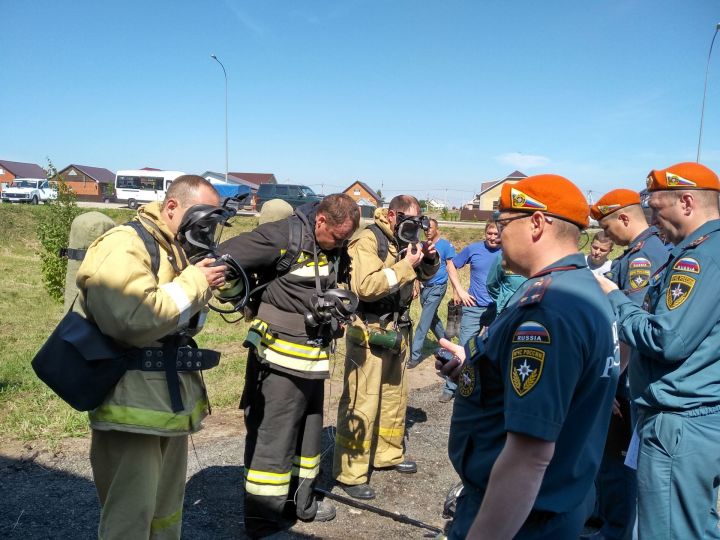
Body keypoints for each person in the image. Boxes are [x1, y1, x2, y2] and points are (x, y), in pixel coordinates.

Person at [438, 174, 620, 539]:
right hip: (558, 502)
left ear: (536, 223)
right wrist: (474, 368)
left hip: (527, 519)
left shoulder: (548, 310)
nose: (498, 235)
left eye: (504, 224)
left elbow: (529, 457)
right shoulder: (583, 290)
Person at [76, 175, 228, 539]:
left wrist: (204, 284)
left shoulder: (175, 247)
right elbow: (131, 319)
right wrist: (194, 282)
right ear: (171, 207)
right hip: (132, 406)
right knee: (129, 518)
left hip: (169, 404)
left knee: (165, 513)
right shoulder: (125, 244)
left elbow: (179, 322)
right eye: (202, 218)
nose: (206, 229)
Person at [219, 194, 360, 538]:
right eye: (338, 238)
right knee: (274, 440)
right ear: (321, 221)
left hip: (313, 358)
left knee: (309, 435)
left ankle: (302, 503)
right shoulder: (282, 236)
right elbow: (222, 259)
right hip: (279, 361)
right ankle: (264, 521)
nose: (340, 245)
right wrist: (243, 294)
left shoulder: (329, 244)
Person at [595, 162, 720, 540]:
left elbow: (668, 339)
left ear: (686, 202)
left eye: (656, 208)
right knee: (690, 525)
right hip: (692, 415)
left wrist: (614, 298)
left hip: (680, 419)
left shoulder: (699, 259)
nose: (652, 219)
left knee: (667, 531)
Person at [333, 195, 439, 500]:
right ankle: (350, 472)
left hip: (397, 331)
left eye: (417, 222)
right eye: (407, 220)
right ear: (391, 215)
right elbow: (366, 287)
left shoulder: (404, 239)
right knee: (362, 401)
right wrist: (406, 265)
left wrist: (427, 258)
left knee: (394, 397)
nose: (412, 228)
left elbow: (425, 275)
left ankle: (387, 454)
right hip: (368, 331)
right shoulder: (369, 240)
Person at [587, 188, 667, 540]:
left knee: (620, 456)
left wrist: (608, 381)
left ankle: (615, 529)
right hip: (627, 372)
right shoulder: (640, 251)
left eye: (608, 225)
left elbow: (630, 325)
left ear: (623, 218)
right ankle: (610, 522)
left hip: (626, 373)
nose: (607, 235)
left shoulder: (640, 258)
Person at [443, 221, 501, 401]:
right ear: (485, 233)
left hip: (496, 309)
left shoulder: (508, 252)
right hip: (473, 307)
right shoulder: (473, 249)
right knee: (464, 347)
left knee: (493, 349)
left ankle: (484, 387)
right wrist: (460, 291)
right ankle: (451, 387)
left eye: (496, 234)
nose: (492, 237)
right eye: (489, 233)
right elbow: (451, 265)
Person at [408, 218, 456, 368]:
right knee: (432, 319)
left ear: (437, 229)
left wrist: (456, 292)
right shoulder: (422, 246)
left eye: (430, 228)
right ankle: (447, 344)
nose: (427, 231)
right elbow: (417, 267)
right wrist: (415, 285)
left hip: (438, 287)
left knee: (424, 321)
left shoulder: (445, 245)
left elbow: (451, 267)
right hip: (424, 287)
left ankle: (415, 356)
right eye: (425, 228)